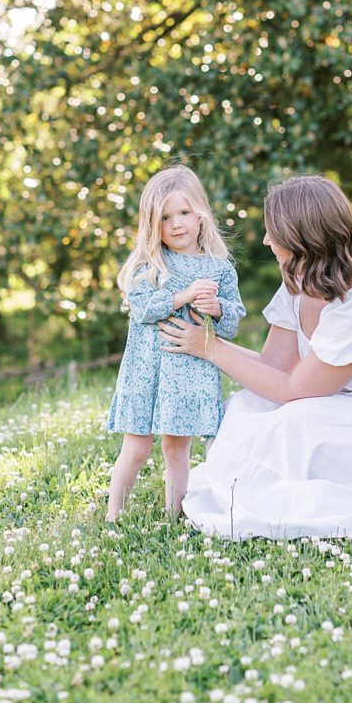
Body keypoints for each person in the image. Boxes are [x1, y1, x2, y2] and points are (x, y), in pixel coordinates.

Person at [159, 174, 352, 540]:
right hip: (344, 403)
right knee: (248, 405)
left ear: (303, 237)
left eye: (274, 232)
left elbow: (295, 389)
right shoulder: (297, 280)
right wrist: (202, 339)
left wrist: (210, 347)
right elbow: (273, 369)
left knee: (295, 420)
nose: (267, 240)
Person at [106, 165, 246, 521]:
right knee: (136, 448)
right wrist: (183, 296)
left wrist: (216, 308)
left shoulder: (219, 268)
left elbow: (232, 323)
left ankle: (175, 515)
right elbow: (143, 308)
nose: (177, 224)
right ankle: (113, 515)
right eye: (165, 217)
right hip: (147, 371)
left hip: (188, 373)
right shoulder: (150, 265)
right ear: (153, 225)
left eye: (184, 213)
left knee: (176, 448)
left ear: (200, 213)